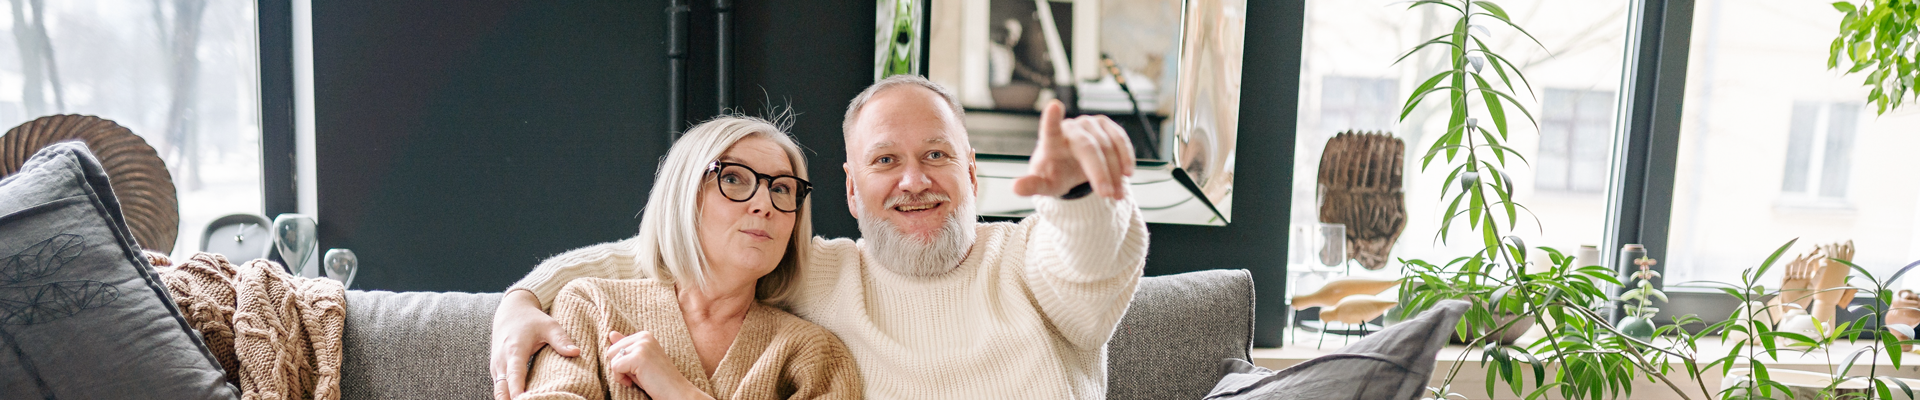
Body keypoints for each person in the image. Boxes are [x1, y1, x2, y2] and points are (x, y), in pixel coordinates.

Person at [495, 75, 1147, 399]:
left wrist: (1078, 194)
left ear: (974, 171)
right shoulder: (819, 271)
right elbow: (682, 254)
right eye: (885, 160)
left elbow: (1090, 264)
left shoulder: (1031, 259)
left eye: (938, 156)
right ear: (852, 189)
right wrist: (523, 298)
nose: (914, 181)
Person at [504, 116, 862, 399]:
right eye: (734, 179)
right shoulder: (591, 306)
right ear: (684, 195)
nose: (764, 204)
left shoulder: (816, 356)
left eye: (782, 188)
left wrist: (677, 390)